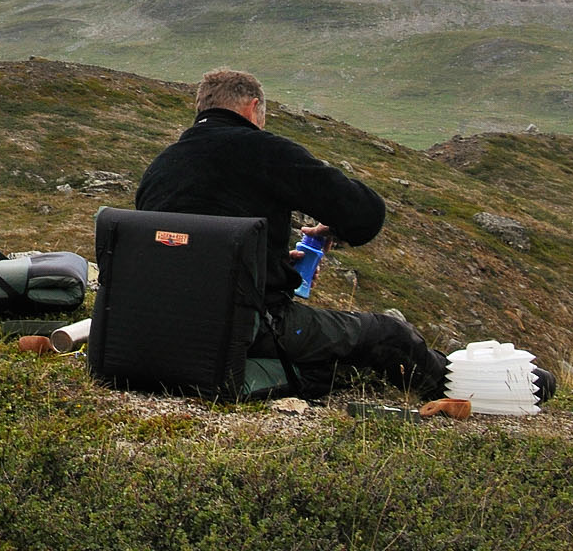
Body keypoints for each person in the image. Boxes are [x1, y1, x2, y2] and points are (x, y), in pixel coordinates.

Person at [134, 67, 451, 400]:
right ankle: (460, 391)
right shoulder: (264, 151)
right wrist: (338, 230)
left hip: (163, 323)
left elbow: (182, 248)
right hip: (249, 328)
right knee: (390, 334)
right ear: (252, 108)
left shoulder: (161, 166)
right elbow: (365, 214)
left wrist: (266, 261)